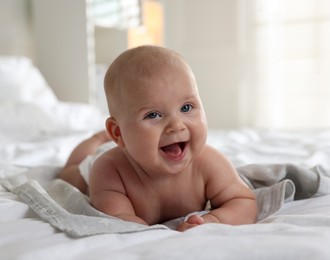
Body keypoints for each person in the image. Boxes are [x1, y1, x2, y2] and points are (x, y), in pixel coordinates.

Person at [59, 45, 257, 231]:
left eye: (186, 108)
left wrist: (211, 221)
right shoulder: (109, 171)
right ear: (118, 133)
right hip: (96, 168)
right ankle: (96, 139)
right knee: (68, 175)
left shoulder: (209, 163)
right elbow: (120, 221)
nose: (176, 126)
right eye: (153, 115)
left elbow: (243, 202)